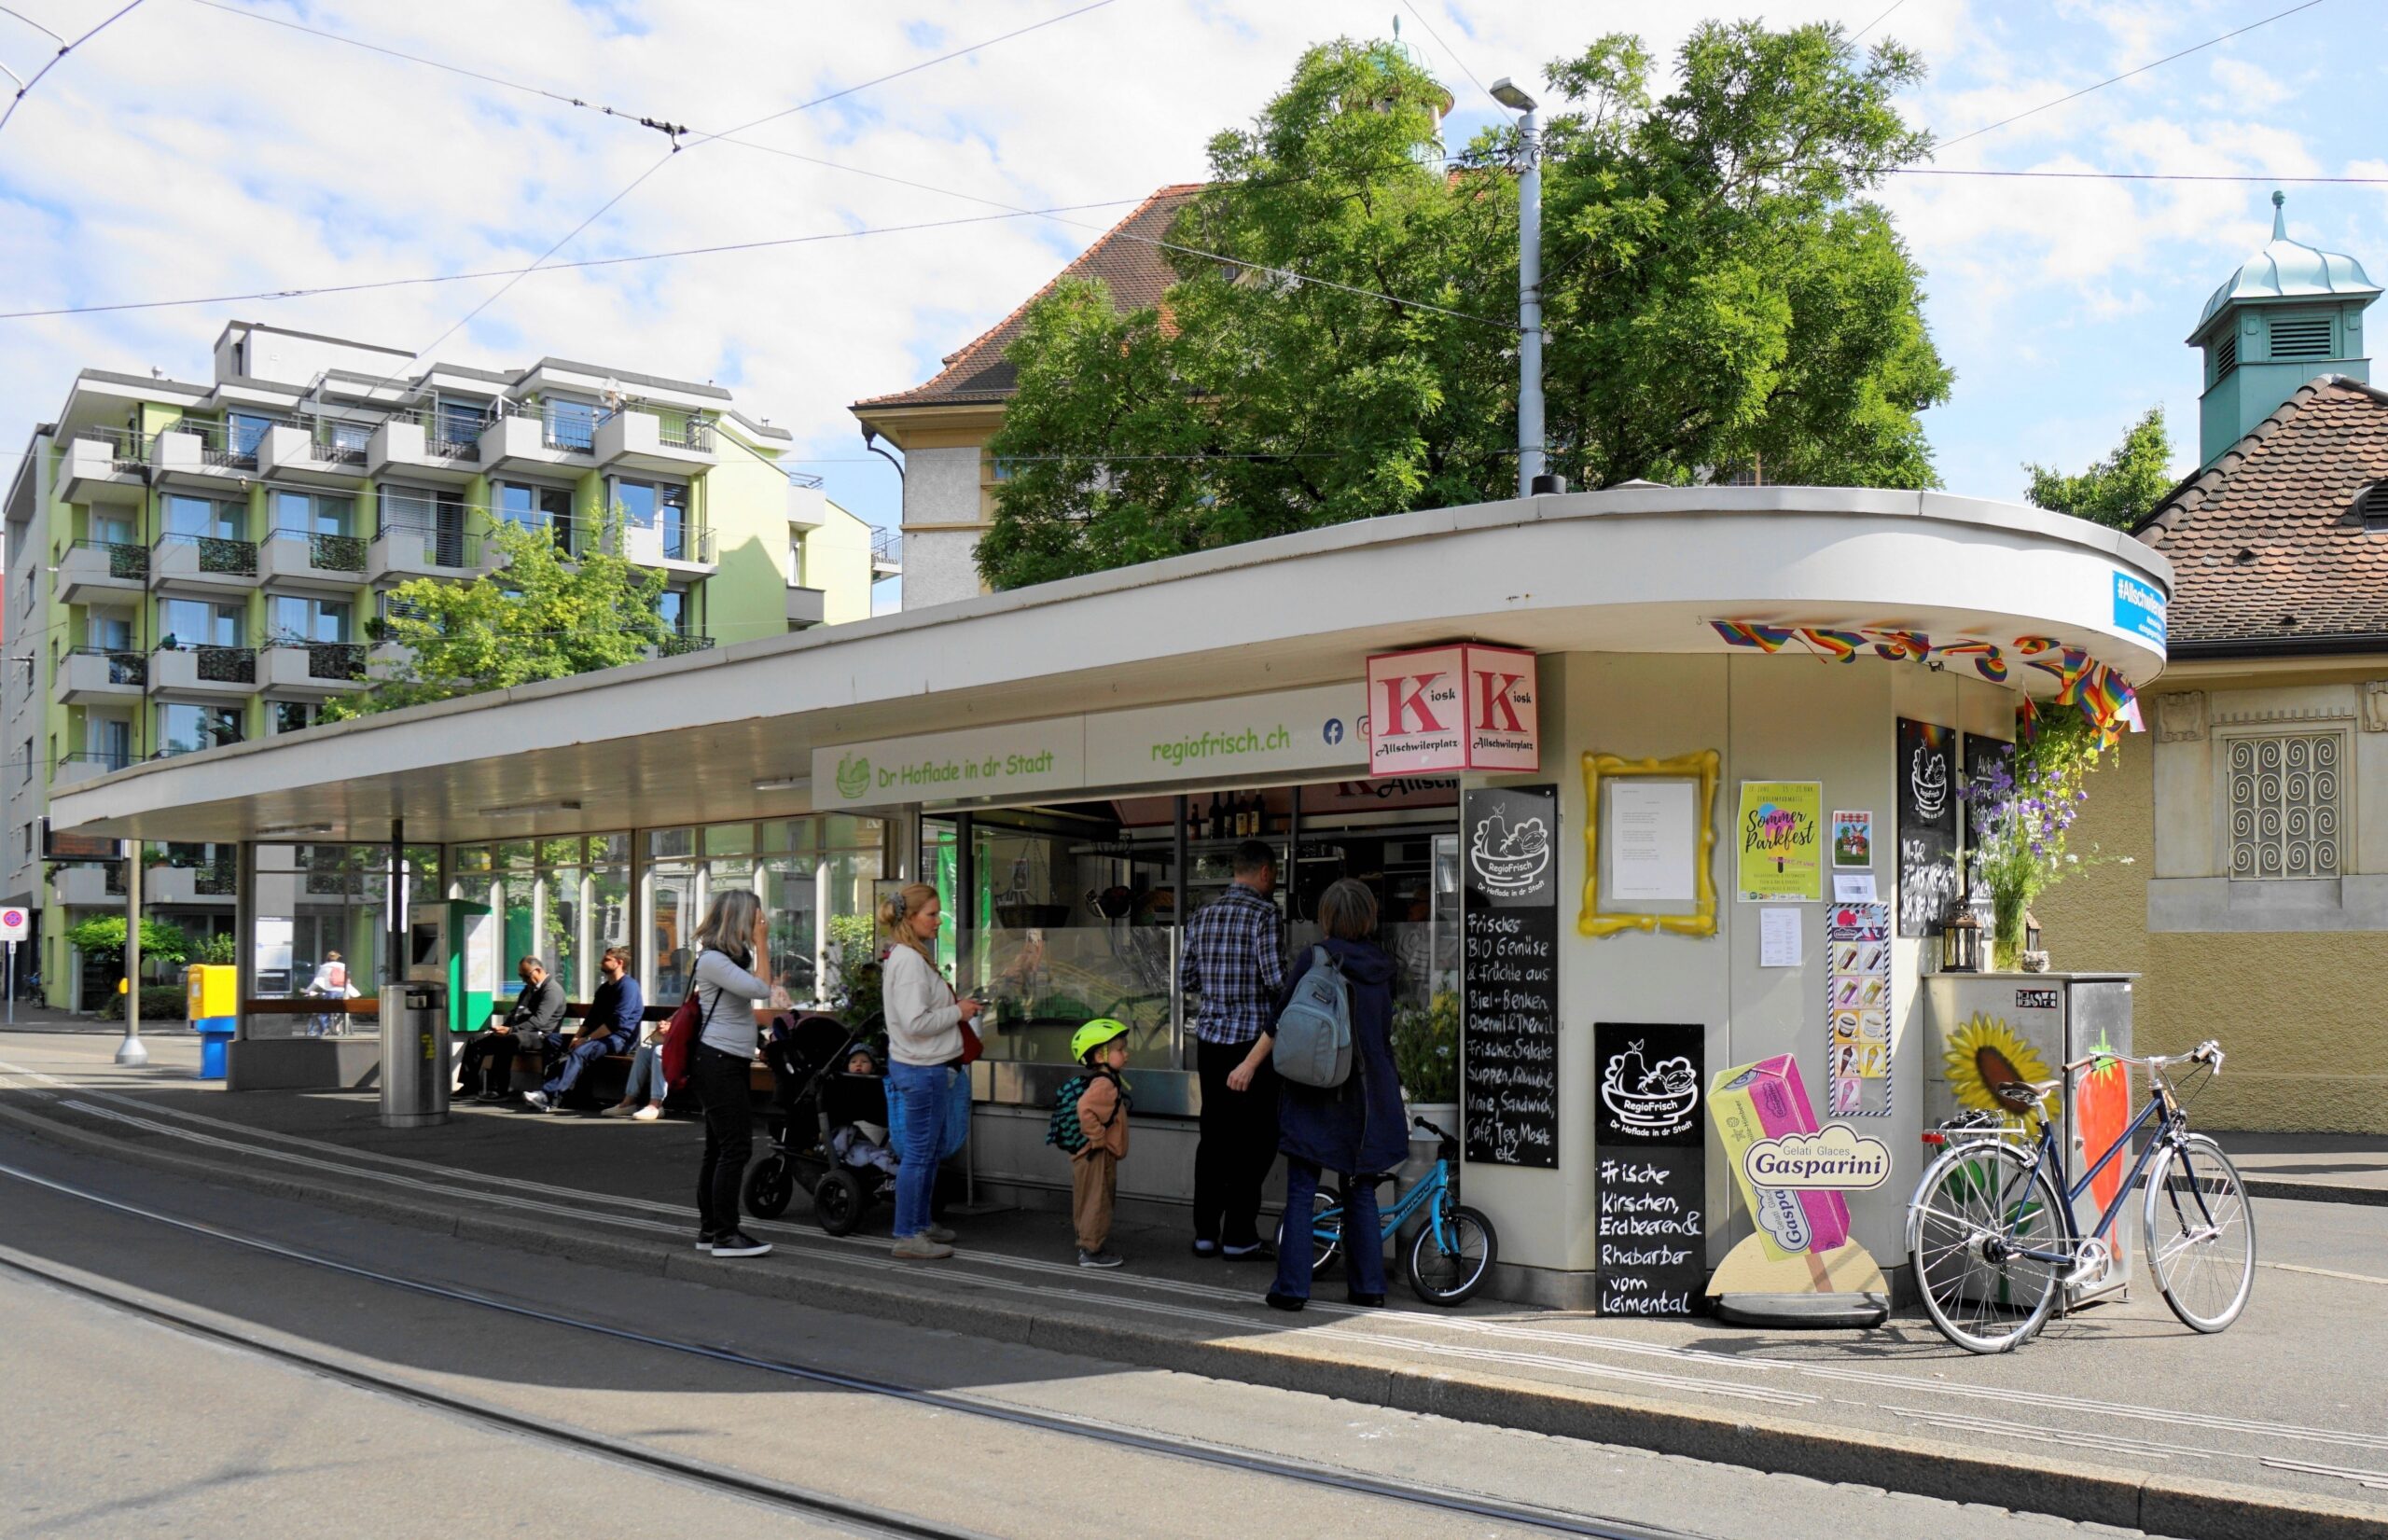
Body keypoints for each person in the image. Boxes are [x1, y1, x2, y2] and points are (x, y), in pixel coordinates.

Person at [1264, 878, 1406, 1312]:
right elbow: (1382, 1034)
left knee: (1303, 1190)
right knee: (1361, 1190)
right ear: (1368, 916)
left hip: (1318, 1089)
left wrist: (1250, 1064)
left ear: (1327, 917)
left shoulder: (1316, 958)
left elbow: (1283, 1019)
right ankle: (1368, 1288)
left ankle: (1292, 1290)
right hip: (1370, 1093)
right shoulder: (1383, 967)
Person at [1180, 839, 1287, 1260]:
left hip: (1210, 1043)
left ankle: (1205, 1232)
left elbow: (1186, 979)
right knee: (1256, 1140)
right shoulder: (1265, 915)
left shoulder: (1202, 915)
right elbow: (1278, 981)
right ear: (1264, 872)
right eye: (1274, 874)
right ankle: (1240, 1233)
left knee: (1215, 1137)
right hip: (1252, 1046)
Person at [880, 881, 981, 1261]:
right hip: (922, 1069)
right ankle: (908, 1233)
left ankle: (920, 1223)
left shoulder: (907, 956)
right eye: (932, 914)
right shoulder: (908, 960)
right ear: (910, 917)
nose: (939, 921)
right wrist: (960, 1012)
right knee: (921, 1154)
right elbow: (915, 1022)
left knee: (927, 1151)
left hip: (924, 1066)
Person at [688, 889, 789, 1258]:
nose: (760, 923)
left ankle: (710, 1229)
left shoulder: (725, 958)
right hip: (716, 1062)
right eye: (756, 918)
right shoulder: (713, 960)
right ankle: (726, 1234)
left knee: (718, 1149)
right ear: (739, 918)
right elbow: (761, 988)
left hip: (726, 1060)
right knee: (735, 1148)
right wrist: (763, 944)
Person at [526, 946, 643, 1113]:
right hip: (598, 1036)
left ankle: (548, 1095)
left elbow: (617, 1022)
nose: (601, 961)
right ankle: (551, 1092)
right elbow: (591, 1017)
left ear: (619, 963)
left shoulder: (628, 986)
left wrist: (586, 1039)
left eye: (606, 959)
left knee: (582, 1051)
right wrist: (577, 1036)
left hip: (619, 1038)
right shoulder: (604, 989)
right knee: (553, 1040)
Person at [1067, 1018, 1132, 1270]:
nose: (1126, 1054)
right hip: (1097, 1154)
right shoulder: (1104, 1083)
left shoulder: (1106, 1080)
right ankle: (1091, 1251)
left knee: (1090, 1198)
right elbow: (1085, 1109)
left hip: (1095, 1153)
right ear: (1099, 1054)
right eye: (1120, 1050)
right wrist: (1097, 1138)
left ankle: (1088, 1244)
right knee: (1097, 1200)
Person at [456, 957, 565, 1101]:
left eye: (526, 976)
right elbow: (516, 1012)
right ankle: (469, 1087)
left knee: (505, 1042)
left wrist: (510, 1030)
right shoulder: (529, 989)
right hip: (520, 1032)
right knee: (475, 1041)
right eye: (521, 976)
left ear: (538, 970)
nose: (523, 980)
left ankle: (498, 1090)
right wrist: (504, 1027)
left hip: (539, 1035)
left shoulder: (552, 990)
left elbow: (540, 1021)